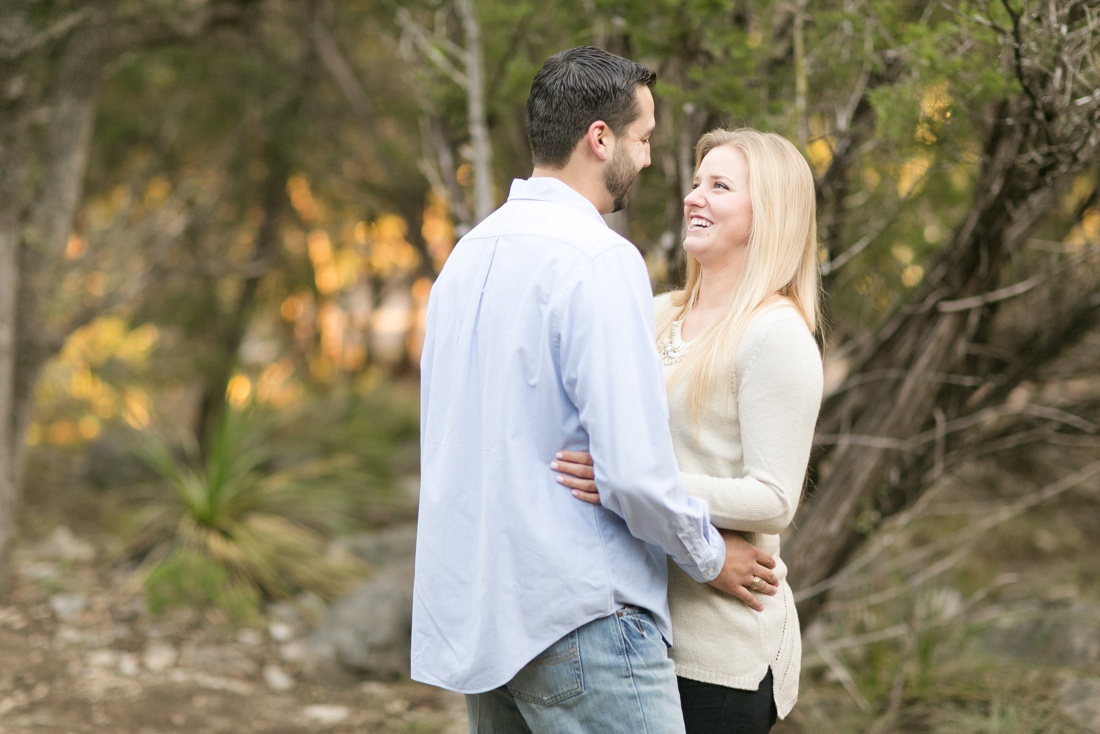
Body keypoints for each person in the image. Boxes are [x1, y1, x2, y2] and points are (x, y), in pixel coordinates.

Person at [411, 49, 780, 733]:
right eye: (643, 138)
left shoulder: (466, 258)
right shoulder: (600, 259)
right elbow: (634, 472)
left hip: (482, 621)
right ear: (600, 138)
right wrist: (709, 556)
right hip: (584, 620)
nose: (645, 160)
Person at [553, 128, 824, 733]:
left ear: (767, 217)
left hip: (719, 650)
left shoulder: (775, 336)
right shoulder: (654, 313)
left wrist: (635, 484)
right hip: (632, 630)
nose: (694, 197)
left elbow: (774, 499)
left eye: (720, 186)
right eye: (697, 182)